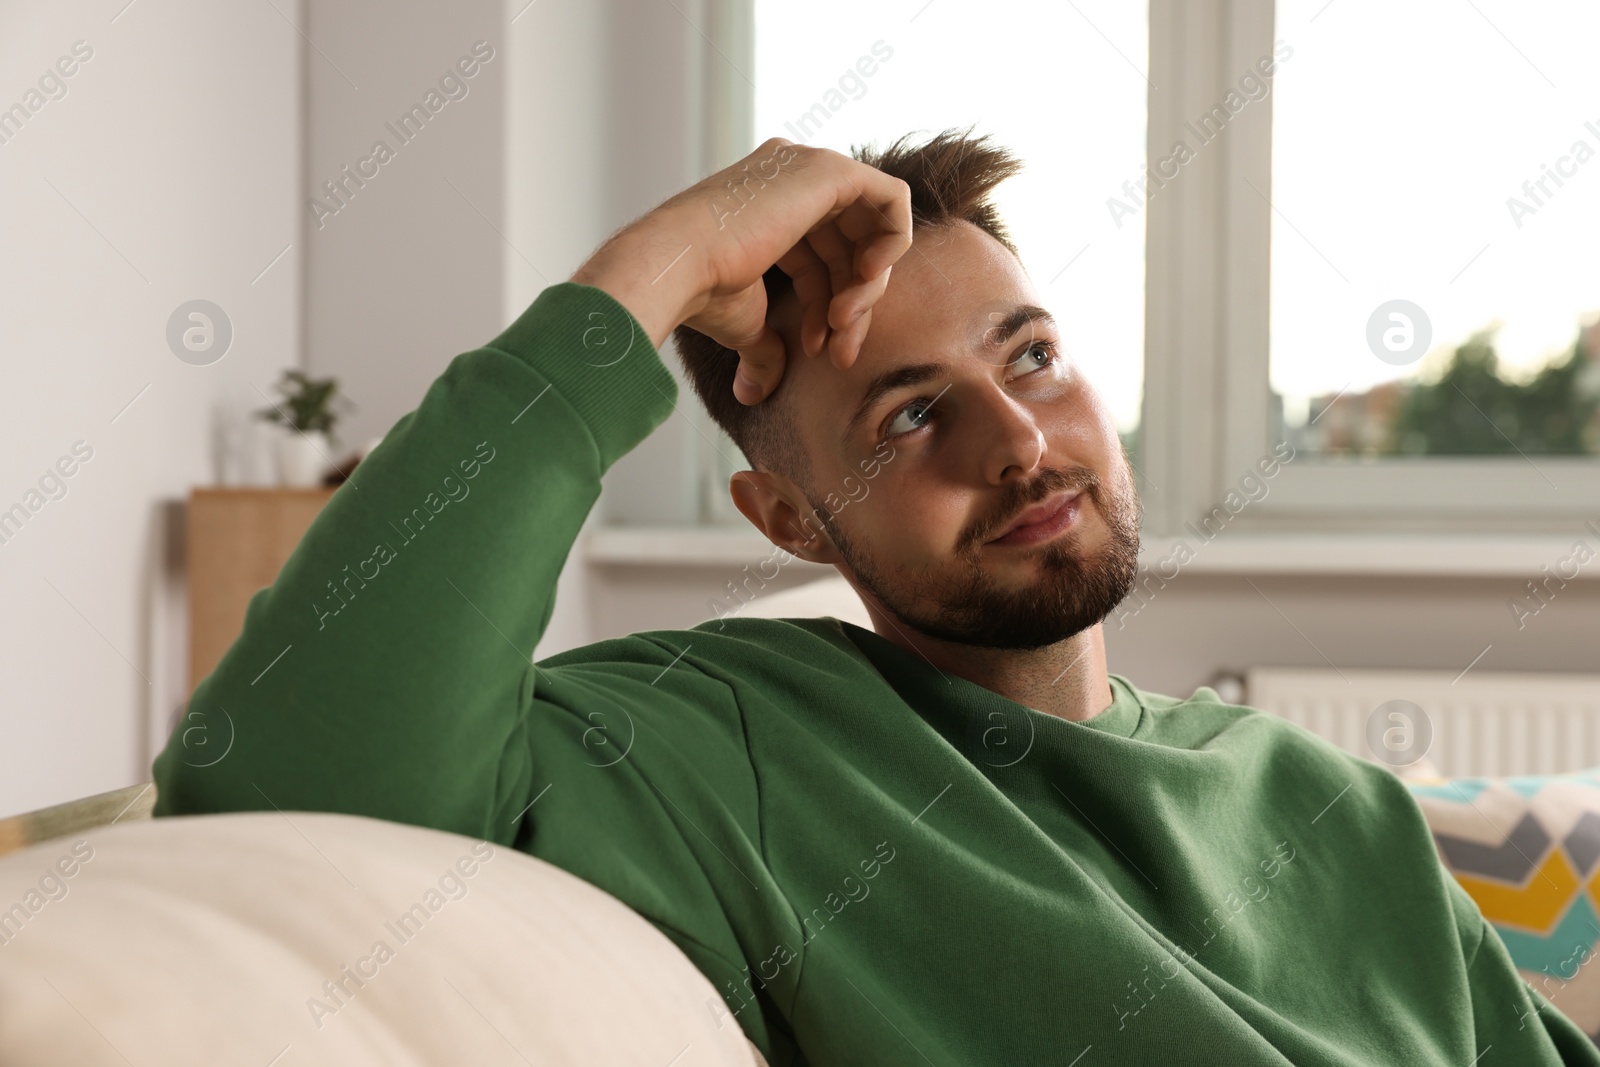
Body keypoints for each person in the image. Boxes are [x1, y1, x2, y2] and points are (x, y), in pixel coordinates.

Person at [153, 129, 1600, 1066]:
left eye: (1030, 358)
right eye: (910, 418)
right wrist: (646, 275)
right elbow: (282, 784)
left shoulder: (1328, 803)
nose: (1020, 441)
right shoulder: (731, 743)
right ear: (786, 515)